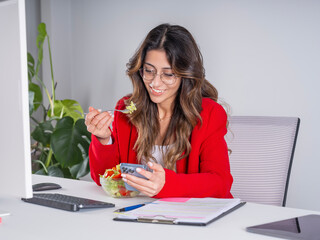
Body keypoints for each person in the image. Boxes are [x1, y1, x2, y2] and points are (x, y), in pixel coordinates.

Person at [85, 23, 233, 198]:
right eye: (149, 71)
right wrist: (104, 140)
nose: (155, 83)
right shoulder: (126, 109)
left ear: (185, 74)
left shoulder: (209, 114)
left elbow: (220, 183)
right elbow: (106, 178)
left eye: (168, 74)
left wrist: (167, 185)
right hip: (138, 215)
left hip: (192, 217)